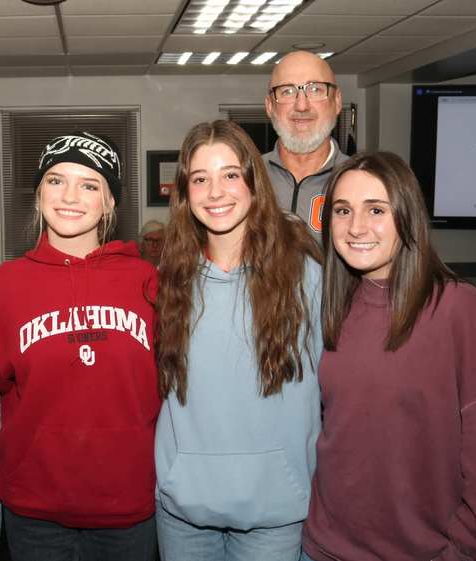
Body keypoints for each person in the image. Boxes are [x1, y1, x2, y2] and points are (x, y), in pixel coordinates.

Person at [302, 151, 476, 561]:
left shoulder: (460, 311)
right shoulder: (335, 306)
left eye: (376, 209)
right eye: (343, 210)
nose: (356, 227)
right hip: (324, 548)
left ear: (407, 216)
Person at [0, 132, 160, 561]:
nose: (70, 197)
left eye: (89, 185)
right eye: (56, 180)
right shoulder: (7, 283)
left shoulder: (147, 281)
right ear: (39, 192)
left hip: (128, 505)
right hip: (34, 508)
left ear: (110, 202)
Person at [155, 120, 322, 561]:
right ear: (185, 193)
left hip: (275, 513)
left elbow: (340, 390)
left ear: (253, 181)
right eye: (200, 179)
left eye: (230, 174)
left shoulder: (305, 275)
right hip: (184, 511)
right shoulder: (168, 280)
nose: (215, 192)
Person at [263, 50, 349, 239]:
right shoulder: (246, 178)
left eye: (315, 90)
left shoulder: (362, 180)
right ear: (269, 106)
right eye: (287, 91)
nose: (302, 105)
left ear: (337, 101)